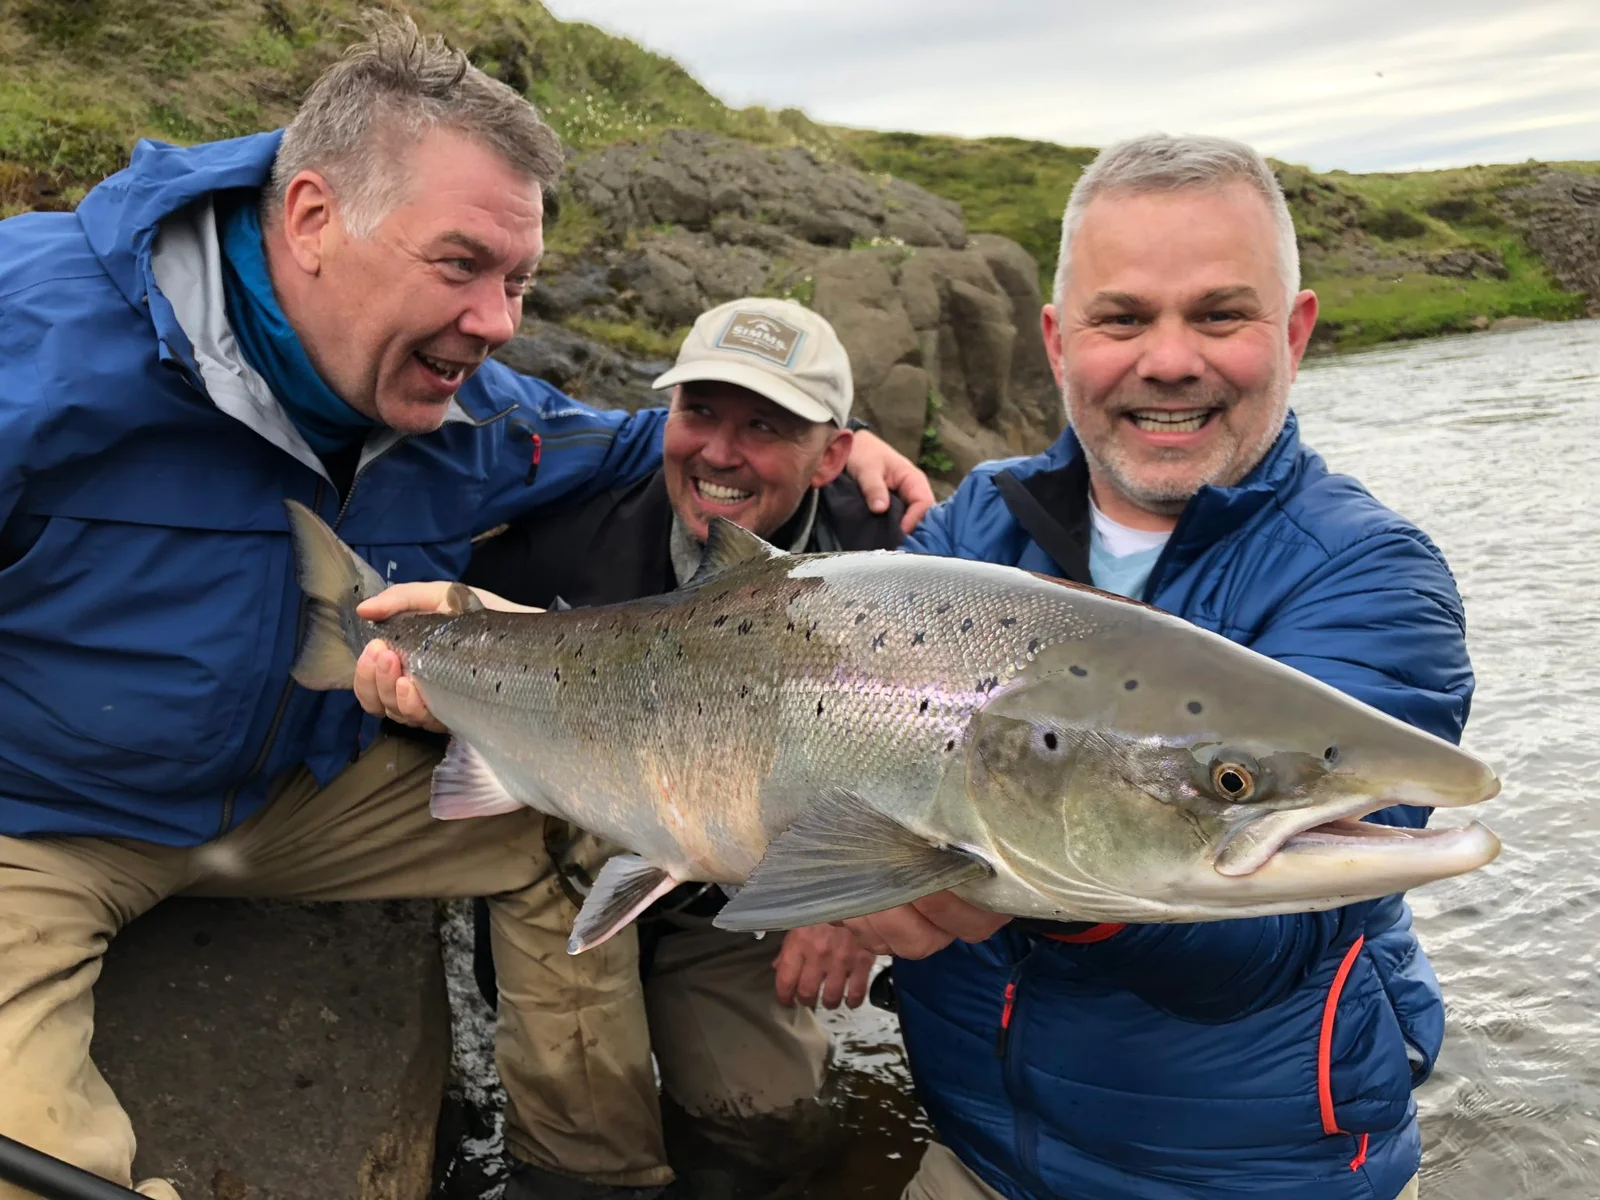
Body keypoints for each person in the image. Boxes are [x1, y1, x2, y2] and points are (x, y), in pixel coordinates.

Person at [0, 17, 932, 1200]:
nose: (498, 322)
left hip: (304, 802)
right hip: (39, 824)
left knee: (579, 816)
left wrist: (849, 456)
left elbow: (644, 441)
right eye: (460, 267)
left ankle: (586, 1175)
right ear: (313, 220)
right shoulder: (27, 346)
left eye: (518, 281)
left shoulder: (470, 405)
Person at [888, 133, 1472, 1200]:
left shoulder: (1374, 578)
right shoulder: (968, 527)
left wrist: (1002, 885)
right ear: (1058, 342)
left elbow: (1264, 945)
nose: (1168, 360)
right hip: (975, 1156)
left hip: (1255, 1179)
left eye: (1217, 314)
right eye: (1123, 318)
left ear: (1293, 330)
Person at [455, 296, 903, 1198]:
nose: (721, 453)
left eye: (765, 427)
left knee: (772, 1133)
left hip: (735, 905)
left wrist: (853, 900)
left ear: (834, 456)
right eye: (699, 413)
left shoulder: (889, 567)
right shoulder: (571, 529)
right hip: (571, 869)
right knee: (582, 1137)